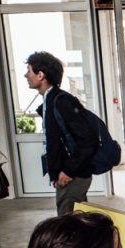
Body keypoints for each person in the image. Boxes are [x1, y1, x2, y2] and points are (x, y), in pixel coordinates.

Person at [26, 51, 97, 216]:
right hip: (67, 174)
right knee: (78, 223)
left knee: (68, 225)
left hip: (73, 176)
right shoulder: (49, 101)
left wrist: (68, 171)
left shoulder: (61, 101)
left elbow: (88, 140)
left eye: (29, 70)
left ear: (41, 75)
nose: (26, 75)